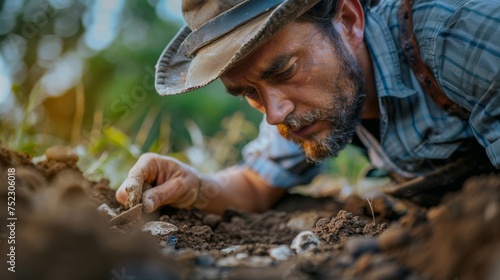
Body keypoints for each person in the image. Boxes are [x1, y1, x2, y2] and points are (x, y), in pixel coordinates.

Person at [116, 0, 500, 214]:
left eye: (284, 70)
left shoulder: (459, 38)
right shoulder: (302, 106)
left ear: (348, 21)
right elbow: (254, 184)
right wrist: (196, 187)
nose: (274, 114)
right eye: (248, 92)